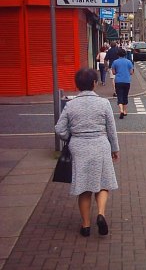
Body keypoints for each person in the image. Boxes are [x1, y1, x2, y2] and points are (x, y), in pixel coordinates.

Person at [55, 68, 119, 237]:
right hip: (100, 145)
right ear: (94, 84)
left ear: (77, 85)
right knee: (103, 183)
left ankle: (85, 226)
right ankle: (101, 214)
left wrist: (70, 135)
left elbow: (59, 129)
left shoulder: (70, 105)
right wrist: (115, 149)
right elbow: (111, 130)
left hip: (79, 146)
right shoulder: (104, 103)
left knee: (84, 187)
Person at [111, 48, 134, 119]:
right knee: (125, 95)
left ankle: (120, 110)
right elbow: (131, 72)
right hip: (127, 81)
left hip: (118, 81)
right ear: (125, 54)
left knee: (119, 95)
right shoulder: (129, 62)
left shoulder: (115, 62)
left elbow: (113, 72)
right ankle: (124, 111)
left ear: (118, 54)